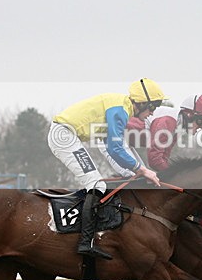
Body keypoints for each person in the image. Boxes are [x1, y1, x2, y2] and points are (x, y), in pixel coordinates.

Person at [48, 78, 165, 260]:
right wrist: (141, 169)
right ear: (142, 102)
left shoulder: (121, 108)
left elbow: (107, 147)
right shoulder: (120, 110)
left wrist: (133, 173)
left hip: (66, 134)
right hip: (63, 136)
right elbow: (115, 148)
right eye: (152, 107)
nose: (152, 113)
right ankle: (85, 243)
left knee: (99, 182)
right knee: (97, 184)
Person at [125, 94, 202, 172]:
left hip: (126, 143)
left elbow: (163, 158)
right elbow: (154, 160)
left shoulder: (177, 127)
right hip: (115, 139)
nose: (201, 127)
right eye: (200, 121)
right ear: (189, 115)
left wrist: (173, 173)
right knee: (138, 175)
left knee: (142, 175)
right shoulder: (168, 122)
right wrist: (175, 175)